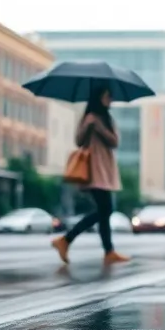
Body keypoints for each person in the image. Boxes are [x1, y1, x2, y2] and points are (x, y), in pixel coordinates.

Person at [51, 86, 130, 266]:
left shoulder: (107, 120)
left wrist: (100, 127)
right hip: (93, 170)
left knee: (104, 211)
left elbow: (114, 141)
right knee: (105, 209)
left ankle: (106, 251)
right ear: (98, 97)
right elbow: (78, 141)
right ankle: (67, 240)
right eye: (107, 96)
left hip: (105, 169)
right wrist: (89, 124)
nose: (110, 100)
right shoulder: (88, 117)